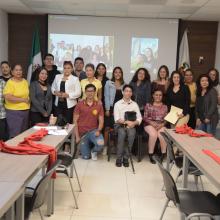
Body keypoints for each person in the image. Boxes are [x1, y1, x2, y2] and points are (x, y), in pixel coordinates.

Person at [74, 84, 104, 160]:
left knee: (101, 144)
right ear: (85, 92)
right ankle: (86, 149)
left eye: (92, 91)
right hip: (82, 134)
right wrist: (77, 137)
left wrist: (99, 130)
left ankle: (93, 151)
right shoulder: (79, 104)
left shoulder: (99, 105)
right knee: (86, 157)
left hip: (93, 131)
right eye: (88, 91)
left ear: (95, 92)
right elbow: (75, 121)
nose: (90, 93)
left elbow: (101, 120)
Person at [114, 84, 142, 167]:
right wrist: (126, 122)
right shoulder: (117, 104)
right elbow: (117, 118)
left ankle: (126, 157)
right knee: (122, 134)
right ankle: (119, 158)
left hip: (131, 125)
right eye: (126, 91)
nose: (128, 93)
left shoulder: (134, 104)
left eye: (130, 91)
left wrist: (134, 123)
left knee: (131, 134)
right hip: (119, 125)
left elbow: (139, 118)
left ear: (132, 93)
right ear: (123, 92)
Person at [3, 64, 30, 138]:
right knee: (15, 135)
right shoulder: (10, 82)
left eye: (20, 70)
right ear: (12, 72)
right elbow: (8, 97)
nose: (19, 72)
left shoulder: (25, 81)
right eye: (16, 70)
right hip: (14, 112)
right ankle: (12, 149)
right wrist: (23, 100)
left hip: (25, 110)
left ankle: (21, 149)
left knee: (23, 135)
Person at [104, 66, 125, 153]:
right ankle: (105, 147)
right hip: (111, 108)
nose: (117, 74)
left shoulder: (124, 84)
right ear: (113, 73)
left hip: (121, 110)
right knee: (107, 127)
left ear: (121, 74)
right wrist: (107, 109)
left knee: (118, 127)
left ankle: (115, 146)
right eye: (116, 72)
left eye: (119, 72)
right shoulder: (109, 83)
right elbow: (106, 96)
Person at [144, 89, 168, 163]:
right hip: (149, 124)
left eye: (160, 95)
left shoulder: (165, 106)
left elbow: (167, 119)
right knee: (153, 134)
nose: (158, 96)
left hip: (161, 124)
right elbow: (144, 117)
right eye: (156, 95)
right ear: (153, 95)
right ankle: (151, 154)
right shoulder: (148, 105)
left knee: (162, 135)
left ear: (162, 96)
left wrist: (162, 125)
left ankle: (163, 154)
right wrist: (152, 123)